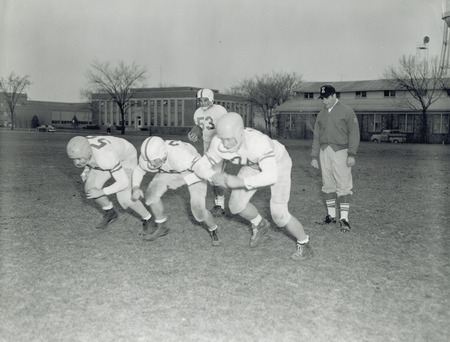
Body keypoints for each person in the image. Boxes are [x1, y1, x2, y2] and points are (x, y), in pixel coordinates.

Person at [192, 112, 314, 261]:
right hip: (253, 165)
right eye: (222, 139)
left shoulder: (257, 142)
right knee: (236, 205)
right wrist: (212, 175)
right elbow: (199, 166)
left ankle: (304, 243)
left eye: (229, 139)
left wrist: (240, 182)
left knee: (279, 215)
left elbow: (270, 176)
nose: (225, 144)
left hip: (277, 164)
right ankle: (260, 224)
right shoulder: (218, 142)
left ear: (240, 134)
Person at [131, 136, 220, 246]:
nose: (151, 164)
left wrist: (182, 180)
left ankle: (213, 229)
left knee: (198, 210)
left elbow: (202, 170)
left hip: (192, 171)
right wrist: (135, 187)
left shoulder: (180, 155)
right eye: (149, 160)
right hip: (169, 170)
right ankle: (161, 226)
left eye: (154, 160)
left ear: (163, 154)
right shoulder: (150, 158)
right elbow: (139, 170)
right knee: (151, 196)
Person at [66, 136, 152, 231]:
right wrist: (87, 169)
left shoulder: (104, 158)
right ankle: (110, 213)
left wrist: (102, 192)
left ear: (88, 152)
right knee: (90, 189)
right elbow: (89, 157)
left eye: (79, 158)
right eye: (74, 159)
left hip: (126, 157)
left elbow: (123, 182)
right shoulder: (84, 145)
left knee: (125, 199)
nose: (77, 162)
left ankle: (149, 218)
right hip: (108, 155)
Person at [311, 84, 360, 232]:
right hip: (324, 151)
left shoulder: (347, 111)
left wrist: (352, 154)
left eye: (326, 98)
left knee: (343, 185)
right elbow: (316, 136)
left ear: (333, 96)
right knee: (327, 184)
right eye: (322, 99)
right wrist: (314, 156)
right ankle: (331, 216)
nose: (324, 101)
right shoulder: (321, 114)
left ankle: (344, 219)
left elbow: (354, 134)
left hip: (341, 150)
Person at [188, 88, 227, 216]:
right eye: (200, 100)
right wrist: (194, 134)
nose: (203, 103)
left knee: (216, 176)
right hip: (207, 146)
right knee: (209, 177)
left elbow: (227, 127)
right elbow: (199, 128)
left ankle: (220, 204)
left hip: (219, 146)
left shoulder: (219, 111)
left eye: (205, 100)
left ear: (211, 99)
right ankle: (217, 202)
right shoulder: (197, 112)